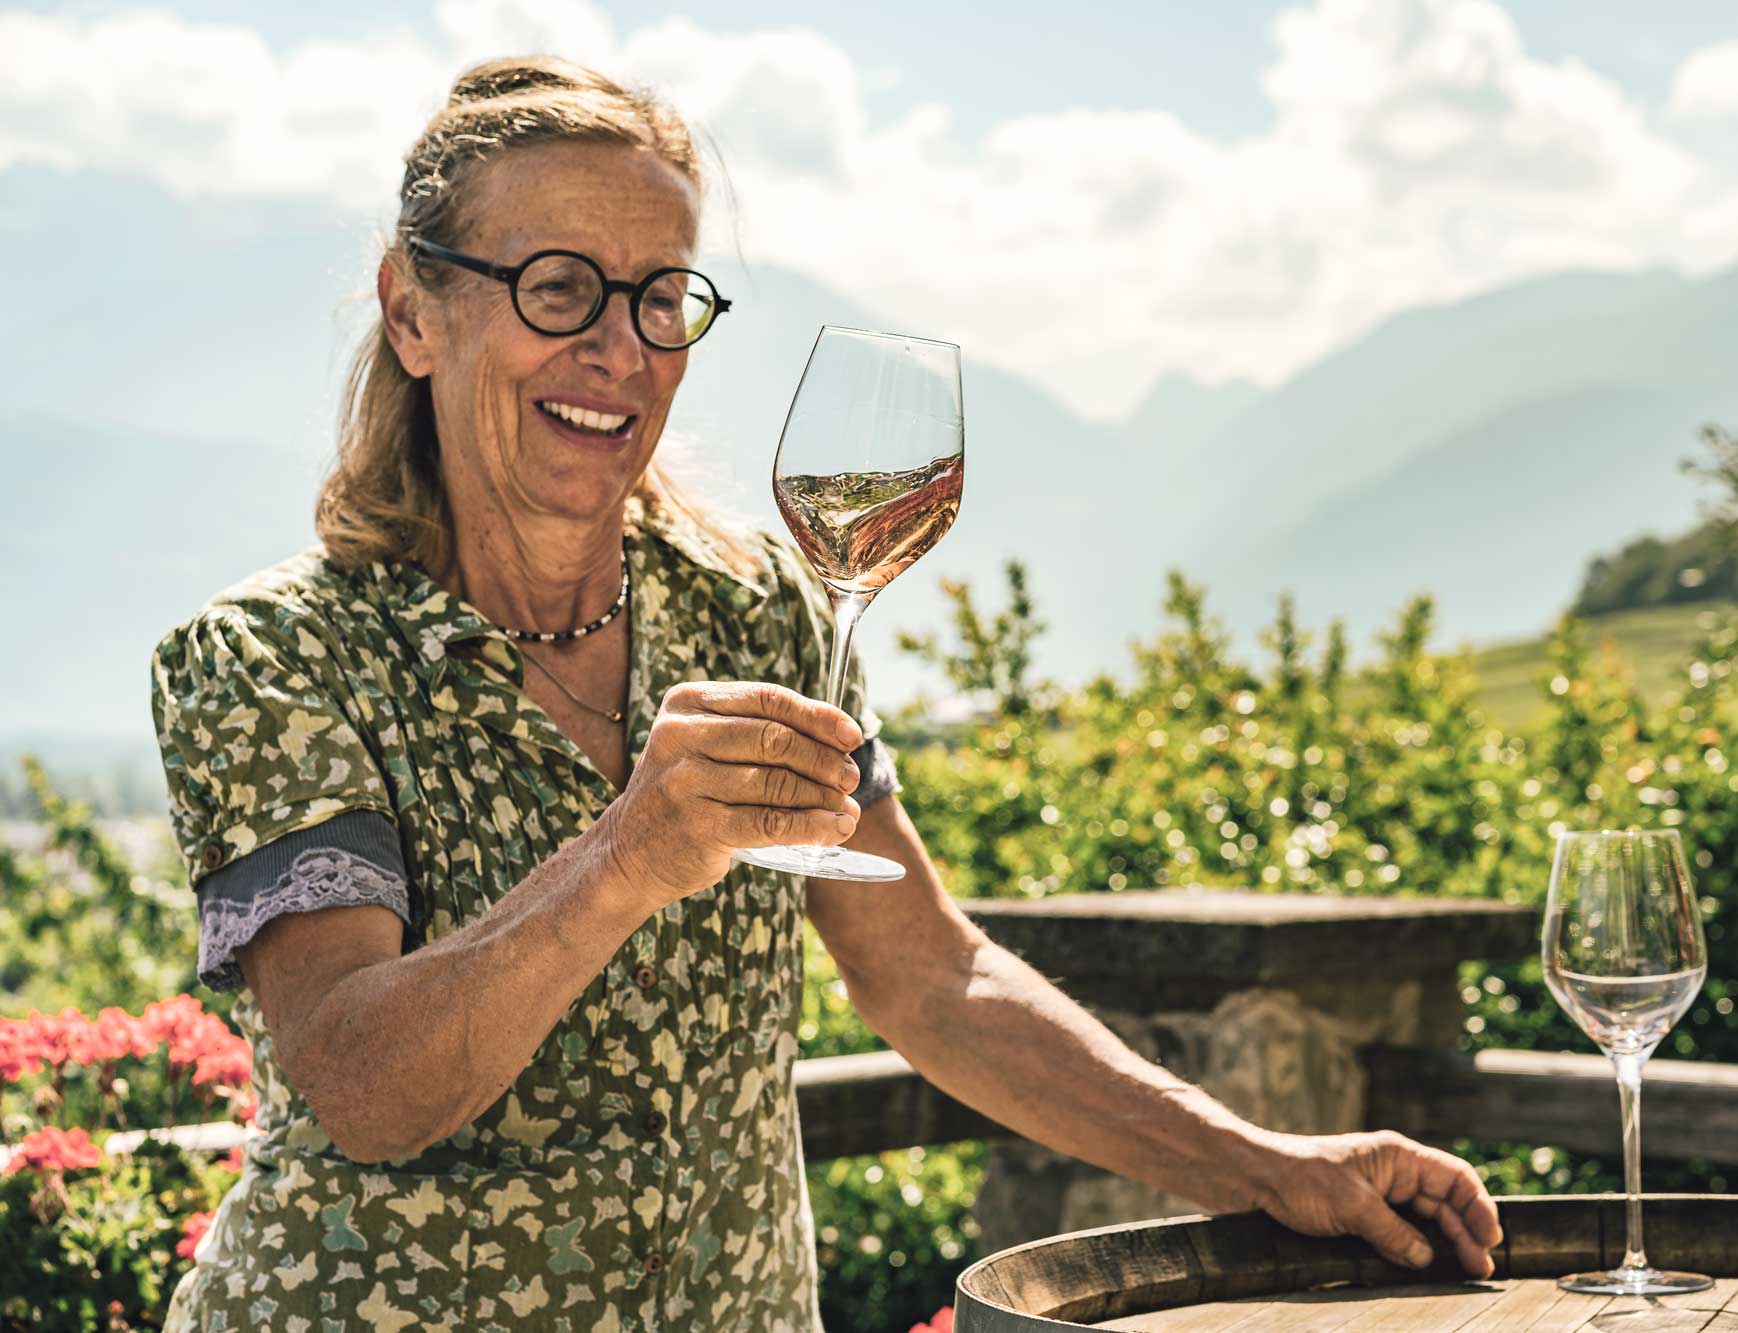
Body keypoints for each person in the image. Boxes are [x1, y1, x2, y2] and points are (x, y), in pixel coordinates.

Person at [149, 56, 1502, 1332]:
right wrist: (624, 855)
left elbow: (932, 977)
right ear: (414, 311)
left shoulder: (761, 610)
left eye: (660, 294)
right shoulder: (274, 656)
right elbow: (362, 1085)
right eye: (558, 287)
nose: (619, 350)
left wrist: (1267, 1163)